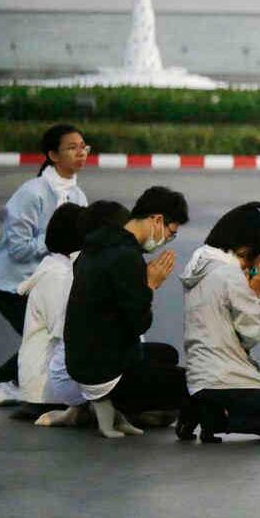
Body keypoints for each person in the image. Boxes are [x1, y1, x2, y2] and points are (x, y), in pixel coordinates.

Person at [0, 123, 89, 405]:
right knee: (42, 335)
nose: (81, 153)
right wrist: (53, 240)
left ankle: (22, 385)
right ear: (52, 154)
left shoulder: (78, 196)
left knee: (48, 335)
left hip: (45, 283)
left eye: (83, 147)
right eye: (72, 148)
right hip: (11, 283)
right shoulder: (32, 192)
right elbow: (18, 248)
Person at [177, 202, 260, 443]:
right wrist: (255, 293)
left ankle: (201, 408)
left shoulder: (198, 264)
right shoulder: (230, 275)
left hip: (199, 376)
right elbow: (250, 334)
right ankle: (218, 419)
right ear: (248, 247)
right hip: (227, 377)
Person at [63, 186, 189, 438]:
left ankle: (109, 407)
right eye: (170, 233)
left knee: (165, 354)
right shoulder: (126, 256)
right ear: (156, 220)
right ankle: (116, 401)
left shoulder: (97, 246)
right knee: (194, 382)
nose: (166, 239)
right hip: (105, 370)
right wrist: (150, 285)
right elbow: (140, 323)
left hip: (81, 360)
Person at [33, 201, 133, 429]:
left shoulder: (74, 268)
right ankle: (89, 410)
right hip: (67, 377)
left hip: (77, 368)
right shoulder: (63, 275)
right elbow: (71, 336)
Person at [13, 201, 85, 420]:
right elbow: (66, 331)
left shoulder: (59, 269)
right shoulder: (59, 276)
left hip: (47, 386)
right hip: (47, 392)